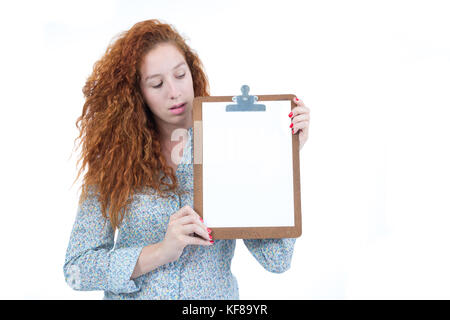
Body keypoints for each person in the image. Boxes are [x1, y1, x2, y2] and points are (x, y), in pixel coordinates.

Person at [63, 19, 311, 300]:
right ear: (137, 94)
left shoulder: (229, 143)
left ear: (192, 73)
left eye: (180, 75)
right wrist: (160, 252)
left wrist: (280, 159)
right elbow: (77, 270)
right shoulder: (113, 160)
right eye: (157, 84)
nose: (174, 91)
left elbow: (277, 260)